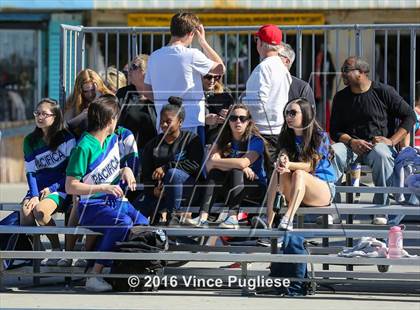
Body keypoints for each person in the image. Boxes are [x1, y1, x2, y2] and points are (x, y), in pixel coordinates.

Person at [65, 94, 148, 292]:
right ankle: (95, 274)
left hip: (115, 201)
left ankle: (124, 269)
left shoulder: (112, 139)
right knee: (123, 223)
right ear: (110, 120)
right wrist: (103, 188)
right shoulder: (83, 147)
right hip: (90, 206)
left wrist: (125, 170)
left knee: (143, 224)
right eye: (116, 117)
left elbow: (112, 171)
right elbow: (71, 186)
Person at [330, 56, 417, 225]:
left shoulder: (384, 91)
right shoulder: (340, 97)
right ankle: (334, 208)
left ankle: (381, 210)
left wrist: (391, 141)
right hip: (351, 146)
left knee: (382, 154)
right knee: (332, 153)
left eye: (346, 70)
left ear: (362, 73)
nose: (342, 74)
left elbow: (410, 116)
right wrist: (351, 142)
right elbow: (335, 131)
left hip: (377, 146)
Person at [144, 12, 225, 144]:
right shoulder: (192, 54)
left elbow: (146, 89)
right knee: (192, 163)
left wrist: (165, 101)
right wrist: (203, 42)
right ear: (192, 33)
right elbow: (221, 69)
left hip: (164, 123)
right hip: (190, 121)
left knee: (167, 163)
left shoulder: (154, 56)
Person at [184, 104, 268, 229]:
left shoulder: (256, 140)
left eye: (242, 118)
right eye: (233, 118)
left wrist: (237, 165)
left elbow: (241, 163)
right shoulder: (222, 139)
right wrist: (240, 165)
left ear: (249, 121)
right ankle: (203, 217)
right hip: (229, 187)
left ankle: (233, 218)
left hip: (254, 187)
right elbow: (209, 165)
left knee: (236, 171)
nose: (237, 121)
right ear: (228, 121)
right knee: (215, 173)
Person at [263, 98, 336, 231]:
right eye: (286, 113)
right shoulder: (286, 136)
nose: (288, 117)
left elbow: (310, 166)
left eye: (293, 113)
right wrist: (283, 160)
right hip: (297, 190)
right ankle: (268, 223)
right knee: (278, 171)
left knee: (299, 173)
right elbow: (283, 154)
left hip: (323, 189)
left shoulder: (319, 136)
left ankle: (288, 219)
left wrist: (289, 164)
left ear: (305, 114)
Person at [20, 98, 76, 265]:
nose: (39, 117)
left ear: (55, 116)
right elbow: (31, 173)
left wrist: (52, 189)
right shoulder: (29, 140)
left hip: (61, 187)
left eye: (44, 113)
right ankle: (36, 253)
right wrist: (34, 195)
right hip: (39, 189)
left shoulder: (67, 138)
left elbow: (70, 172)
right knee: (25, 213)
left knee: (40, 212)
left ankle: (57, 250)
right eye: (37, 113)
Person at [137, 96, 204, 224]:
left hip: (188, 191)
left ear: (180, 122)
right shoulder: (152, 145)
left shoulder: (191, 139)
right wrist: (153, 190)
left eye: (168, 121)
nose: (164, 124)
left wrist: (166, 167)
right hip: (161, 192)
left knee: (173, 173)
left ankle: (172, 215)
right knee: (134, 215)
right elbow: (146, 174)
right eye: (161, 121)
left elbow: (195, 164)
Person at [242, 24, 292, 164]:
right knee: (274, 178)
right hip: (277, 130)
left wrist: (241, 104)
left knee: (261, 180)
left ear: (262, 43)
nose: (256, 43)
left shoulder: (264, 67)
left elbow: (259, 102)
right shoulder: (282, 68)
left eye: (257, 40)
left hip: (261, 132)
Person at [117, 54, 157, 155]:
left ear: (146, 72)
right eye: (129, 67)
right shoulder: (123, 93)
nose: (129, 70)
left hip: (152, 151)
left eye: (134, 67)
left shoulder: (158, 94)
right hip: (126, 150)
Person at [64, 69, 113, 138]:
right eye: (86, 91)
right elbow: (65, 127)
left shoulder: (108, 97)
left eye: (93, 90)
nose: (90, 94)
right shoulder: (73, 101)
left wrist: (97, 100)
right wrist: (82, 115)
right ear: (80, 91)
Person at [278, 43, 316, 107]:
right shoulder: (262, 83)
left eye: (276, 56)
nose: (269, 60)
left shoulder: (302, 88)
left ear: (287, 61)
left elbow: (308, 115)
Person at [203, 73, 234, 144]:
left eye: (216, 77)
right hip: (200, 135)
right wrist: (203, 120)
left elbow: (235, 117)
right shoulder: (192, 93)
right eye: (208, 77)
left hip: (218, 138)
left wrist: (230, 114)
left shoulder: (225, 94)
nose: (212, 80)